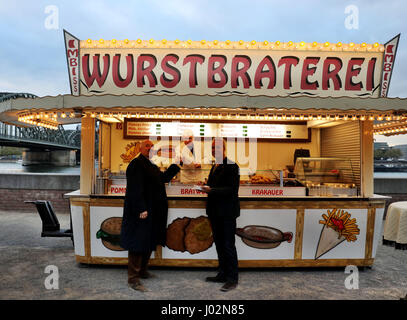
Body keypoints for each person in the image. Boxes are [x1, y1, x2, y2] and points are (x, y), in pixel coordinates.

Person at [120, 139, 180, 292]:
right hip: (141, 210)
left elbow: (163, 178)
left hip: (151, 209)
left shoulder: (150, 165)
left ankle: (143, 271)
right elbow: (134, 189)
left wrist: (176, 164)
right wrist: (141, 208)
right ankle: (133, 279)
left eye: (152, 146)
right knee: (137, 242)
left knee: (147, 239)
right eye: (147, 146)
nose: (150, 148)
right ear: (140, 148)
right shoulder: (136, 164)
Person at [200, 138, 240, 292]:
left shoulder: (232, 165)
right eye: (211, 147)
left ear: (223, 148)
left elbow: (231, 190)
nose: (213, 149)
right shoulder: (214, 166)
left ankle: (232, 278)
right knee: (219, 244)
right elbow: (216, 186)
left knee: (228, 245)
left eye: (216, 147)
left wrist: (211, 190)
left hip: (227, 212)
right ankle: (222, 274)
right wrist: (206, 186)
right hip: (215, 212)